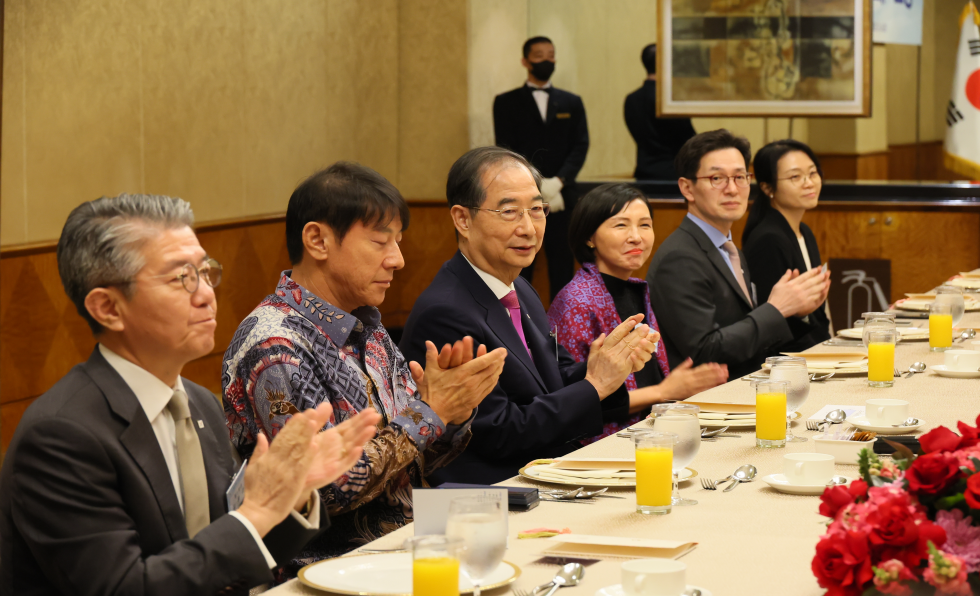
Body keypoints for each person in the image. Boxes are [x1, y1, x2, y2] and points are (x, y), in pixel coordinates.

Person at [0, 194, 380, 595]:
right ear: (108, 308)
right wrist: (256, 513)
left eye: (204, 272)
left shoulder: (198, 403)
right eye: (181, 278)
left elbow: (234, 554)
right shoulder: (61, 435)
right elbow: (125, 587)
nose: (206, 294)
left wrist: (294, 493)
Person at [222, 162, 506, 567]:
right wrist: (429, 412)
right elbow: (324, 490)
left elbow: (414, 456)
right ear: (318, 240)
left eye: (399, 242)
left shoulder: (364, 325)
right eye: (381, 242)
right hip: (332, 568)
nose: (398, 260)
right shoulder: (275, 345)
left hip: (413, 542)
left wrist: (451, 412)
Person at [400, 146, 660, 485]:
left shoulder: (519, 287)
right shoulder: (446, 312)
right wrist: (595, 384)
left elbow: (555, 377)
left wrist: (609, 363)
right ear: (463, 220)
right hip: (494, 492)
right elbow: (499, 431)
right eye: (509, 211)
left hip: (547, 471)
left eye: (537, 210)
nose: (529, 227)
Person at [548, 183, 728, 443]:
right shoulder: (576, 301)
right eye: (621, 225)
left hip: (654, 433)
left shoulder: (635, 289)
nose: (636, 237)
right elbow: (576, 401)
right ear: (589, 237)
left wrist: (680, 388)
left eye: (644, 225)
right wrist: (664, 391)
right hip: (602, 448)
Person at [645, 130, 831, 380]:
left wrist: (794, 309)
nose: (732, 189)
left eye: (740, 177)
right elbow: (704, 352)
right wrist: (776, 309)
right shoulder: (680, 257)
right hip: (708, 404)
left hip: (748, 390)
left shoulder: (730, 250)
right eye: (717, 178)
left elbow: (744, 334)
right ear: (687, 188)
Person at [493, 35, 589, 299]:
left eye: (551, 55)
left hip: (563, 197)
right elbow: (506, 149)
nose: (546, 60)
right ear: (525, 61)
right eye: (539, 56)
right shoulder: (506, 102)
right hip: (521, 198)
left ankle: (562, 327)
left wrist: (558, 182)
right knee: (521, 266)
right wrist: (536, 185)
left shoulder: (572, 102)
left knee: (562, 265)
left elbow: (580, 145)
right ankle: (522, 327)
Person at [742, 140, 832, 351]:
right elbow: (773, 324)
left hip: (813, 350)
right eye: (795, 177)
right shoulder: (768, 240)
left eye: (812, 173)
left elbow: (817, 315)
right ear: (767, 187)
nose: (809, 183)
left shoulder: (804, 232)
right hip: (786, 360)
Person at [624, 44, 696, 180]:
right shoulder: (670, 101)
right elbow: (688, 139)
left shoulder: (631, 99)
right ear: (665, 62)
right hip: (673, 175)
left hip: (643, 172)